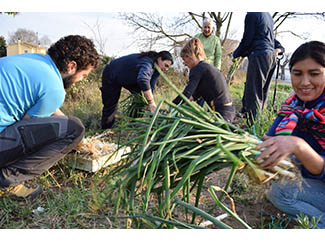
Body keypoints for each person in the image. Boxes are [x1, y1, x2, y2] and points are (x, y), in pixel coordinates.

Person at [0, 35, 100, 199]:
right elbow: (29, 127)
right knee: (75, 128)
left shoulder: (33, 60)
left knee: (67, 125)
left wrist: (63, 120)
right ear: (71, 66)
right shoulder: (55, 89)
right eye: (83, 75)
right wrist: (74, 140)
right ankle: (7, 180)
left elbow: (47, 107)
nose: (81, 80)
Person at [256, 41, 325, 228]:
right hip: (311, 182)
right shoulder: (292, 106)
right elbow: (271, 140)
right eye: (297, 73)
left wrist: (298, 146)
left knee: (280, 192)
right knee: (275, 189)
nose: (304, 82)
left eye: (314, 74)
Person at [233, 12, 284, 124]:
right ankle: (258, 121)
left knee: (254, 91)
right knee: (263, 91)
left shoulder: (252, 14)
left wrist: (235, 54)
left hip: (259, 54)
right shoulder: (268, 15)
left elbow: (247, 39)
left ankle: (253, 125)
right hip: (271, 56)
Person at [100, 51, 173, 129]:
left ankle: (133, 124)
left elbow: (150, 86)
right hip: (112, 73)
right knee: (111, 104)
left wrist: (148, 103)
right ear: (159, 59)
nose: (166, 69)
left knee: (141, 99)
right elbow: (143, 80)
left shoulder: (158, 69)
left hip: (129, 78)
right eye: (166, 65)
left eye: (168, 67)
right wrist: (151, 102)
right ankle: (105, 129)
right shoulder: (148, 63)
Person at [173, 38, 235, 122]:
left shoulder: (197, 69)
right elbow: (195, 95)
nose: (184, 63)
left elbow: (187, 93)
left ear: (190, 56)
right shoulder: (205, 67)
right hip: (228, 111)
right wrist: (183, 103)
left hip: (221, 113)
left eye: (184, 59)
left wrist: (172, 105)